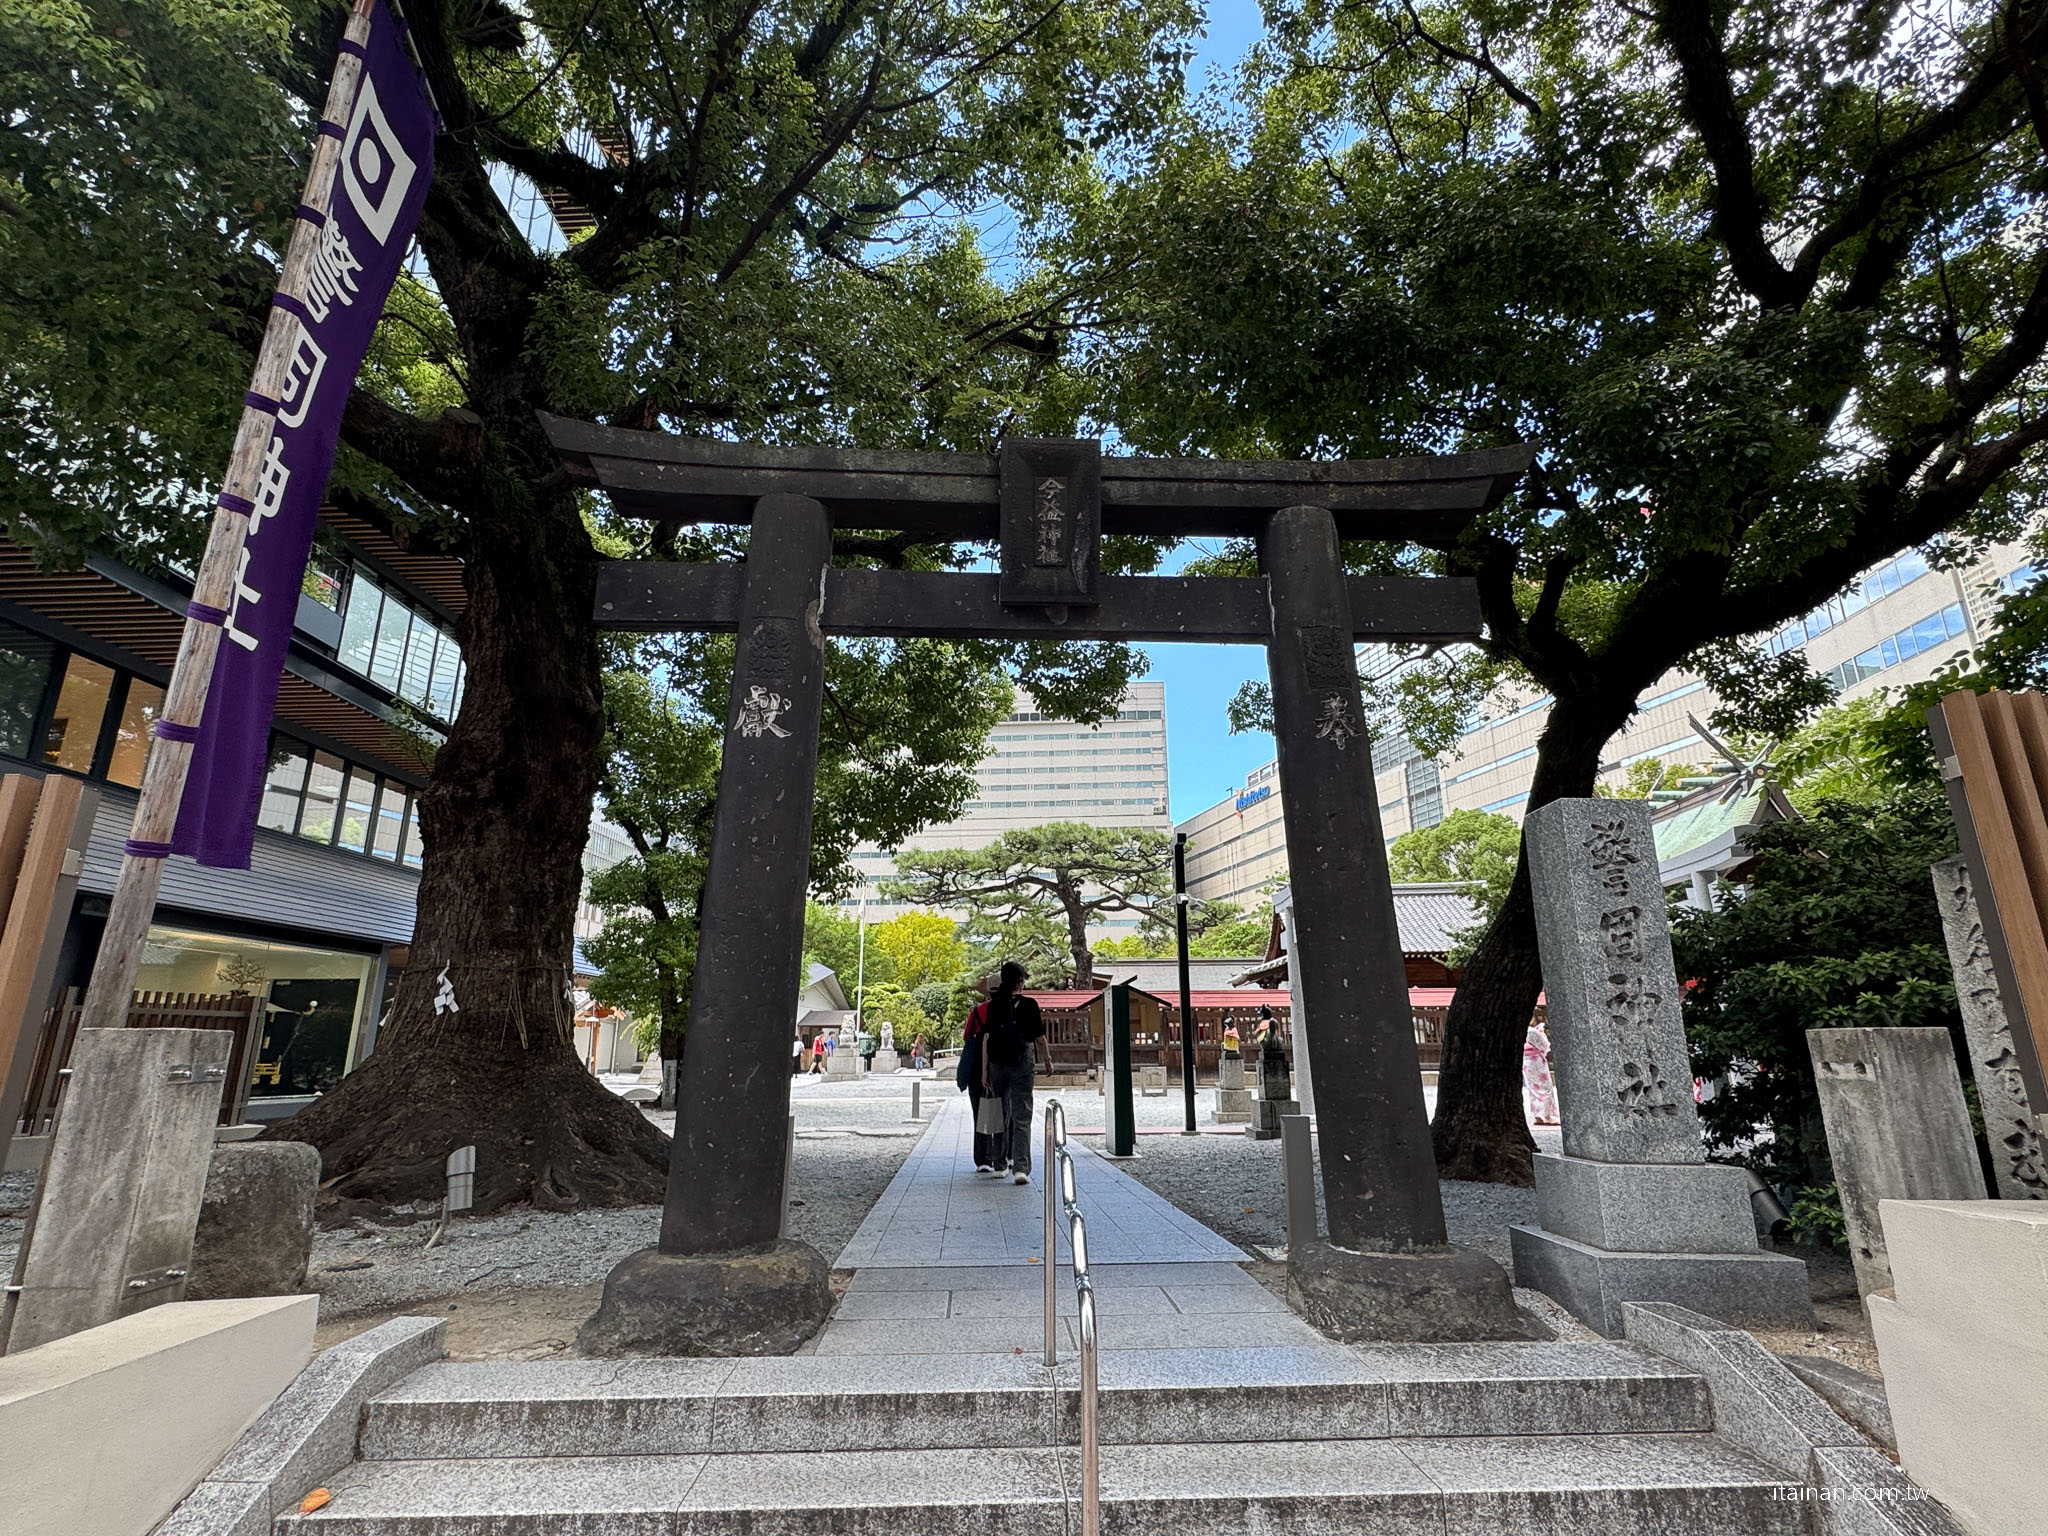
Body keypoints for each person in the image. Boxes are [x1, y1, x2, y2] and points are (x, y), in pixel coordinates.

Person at [980, 960, 1048, 1185]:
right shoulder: (1029, 1004)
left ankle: (999, 1164)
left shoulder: (993, 1006)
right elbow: (1039, 1037)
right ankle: (1020, 1167)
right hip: (1022, 1063)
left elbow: (987, 1038)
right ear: (1020, 981)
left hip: (997, 1064)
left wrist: (984, 1071)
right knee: (1022, 1115)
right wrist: (1047, 1060)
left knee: (1000, 1113)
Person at [957, 994, 996, 1173]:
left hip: (977, 1067)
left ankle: (983, 1158)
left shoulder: (978, 1011)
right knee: (1003, 1111)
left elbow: (967, 1036)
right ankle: (1004, 1154)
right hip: (1000, 1064)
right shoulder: (1008, 1009)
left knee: (981, 1112)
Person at [1524, 1021, 1560, 1125]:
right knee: (1546, 1088)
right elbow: (1544, 1045)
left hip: (1526, 1061)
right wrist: (1542, 1034)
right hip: (1536, 1061)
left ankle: (1537, 1116)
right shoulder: (1532, 1031)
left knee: (1532, 1089)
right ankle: (1547, 1116)